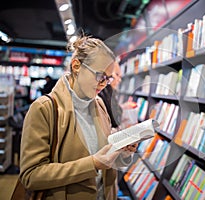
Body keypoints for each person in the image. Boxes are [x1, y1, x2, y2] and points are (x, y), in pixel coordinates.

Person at [19, 35, 137, 200]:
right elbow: (31, 176)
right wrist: (92, 164)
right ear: (76, 66)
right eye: (100, 76)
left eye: (108, 79)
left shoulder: (99, 105)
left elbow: (105, 160)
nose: (103, 84)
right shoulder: (44, 109)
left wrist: (122, 150)